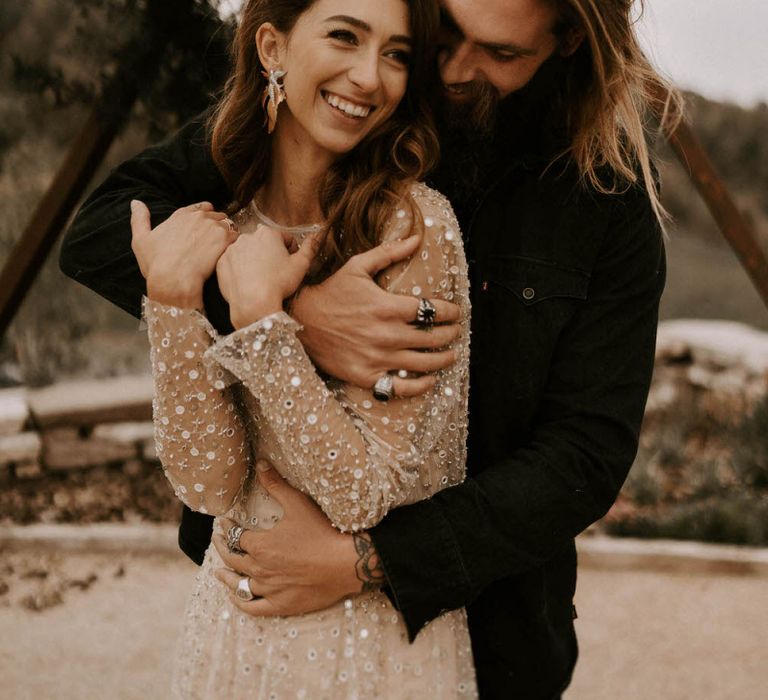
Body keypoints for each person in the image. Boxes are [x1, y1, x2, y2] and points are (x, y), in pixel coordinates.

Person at [60, 0, 677, 697]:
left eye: (500, 55)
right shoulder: (356, 99)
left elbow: (585, 455)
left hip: (487, 621)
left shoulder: (607, 198)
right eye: (442, 36)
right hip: (257, 597)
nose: (451, 70)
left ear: (568, 43)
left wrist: (370, 560)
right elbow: (106, 231)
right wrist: (291, 311)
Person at [130, 0, 479, 696]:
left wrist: (262, 320)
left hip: (375, 651)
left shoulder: (413, 228)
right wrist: (171, 302)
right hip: (233, 636)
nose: (369, 76)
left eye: (396, 54)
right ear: (271, 47)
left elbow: (363, 497)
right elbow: (209, 486)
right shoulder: (224, 226)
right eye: (345, 37)